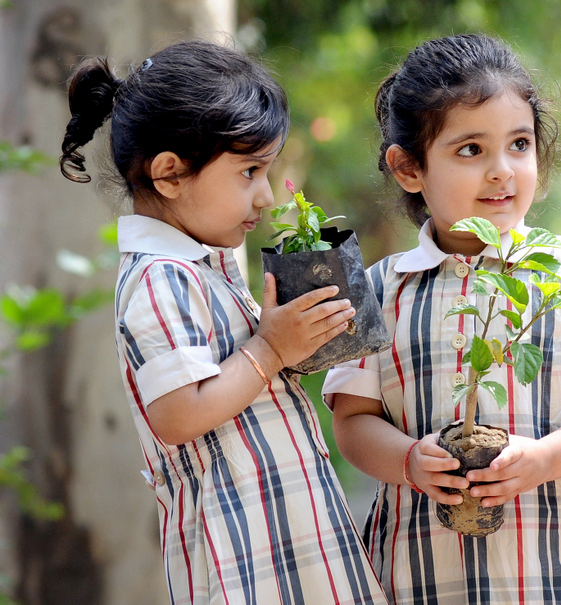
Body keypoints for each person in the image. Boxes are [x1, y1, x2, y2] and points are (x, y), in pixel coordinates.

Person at [325, 33, 561, 604]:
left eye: (519, 144)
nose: (503, 171)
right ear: (408, 168)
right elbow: (353, 421)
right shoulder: (379, 289)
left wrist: (546, 458)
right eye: (471, 150)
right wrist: (407, 461)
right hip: (421, 570)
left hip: (556, 566)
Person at [60, 40, 388, 605]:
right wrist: (269, 350)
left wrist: (292, 344)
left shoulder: (204, 267)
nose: (264, 195)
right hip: (237, 553)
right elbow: (180, 414)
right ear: (169, 174)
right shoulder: (159, 278)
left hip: (283, 527)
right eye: (249, 171)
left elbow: (241, 385)